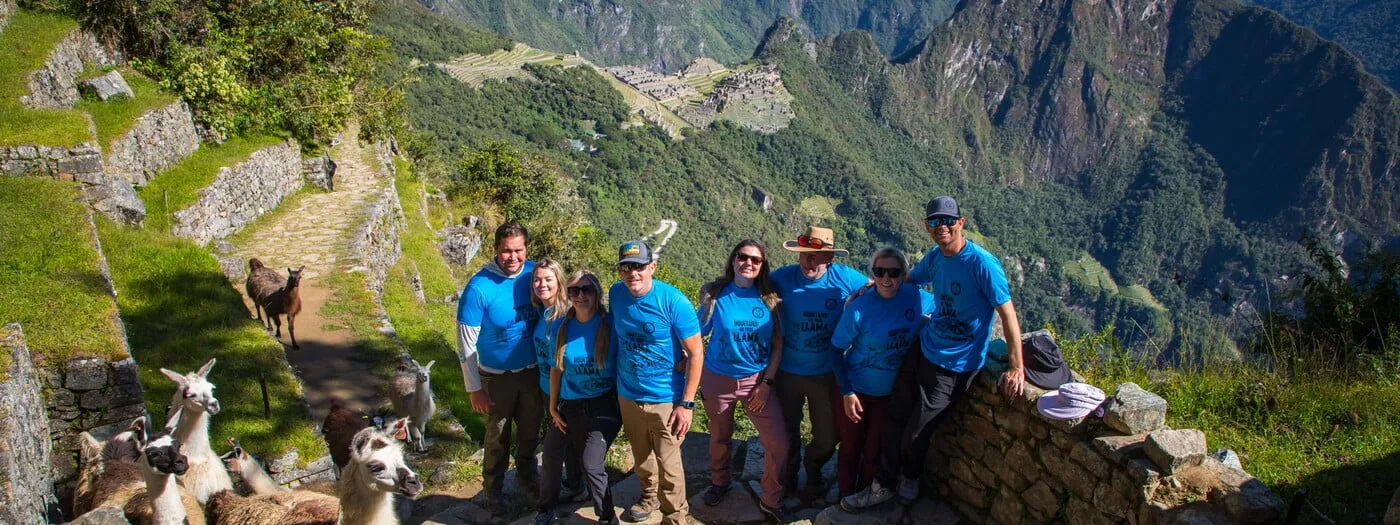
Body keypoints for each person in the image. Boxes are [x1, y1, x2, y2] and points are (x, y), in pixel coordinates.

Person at [841, 196, 1025, 511]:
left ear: (961, 223)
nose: (942, 227)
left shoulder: (981, 264)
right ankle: (882, 485)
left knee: (915, 433)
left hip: (956, 365)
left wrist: (1016, 367)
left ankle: (910, 477)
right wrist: (877, 283)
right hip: (924, 348)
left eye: (948, 220)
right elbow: (908, 279)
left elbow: (1007, 314)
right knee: (895, 419)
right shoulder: (937, 258)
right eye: (935, 222)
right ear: (928, 227)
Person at [609, 240, 704, 525]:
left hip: (666, 398)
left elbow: (697, 352)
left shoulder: (673, 301)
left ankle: (675, 518)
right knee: (641, 456)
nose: (633, 274)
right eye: (626, 267)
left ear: (652, 267)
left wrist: (686, 403)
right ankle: (648, 496)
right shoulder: (616, 294)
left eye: (639, 267)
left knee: (670, 465)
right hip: (628, 393)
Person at [770, 226, 870, 500]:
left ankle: (813, 467)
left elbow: (879, 287)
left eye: (816, 256)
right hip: (786, 372)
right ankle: (789, 478)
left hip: (826, 374)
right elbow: (747, 287)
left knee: (828, 435)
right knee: (787, 431)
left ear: (830, 259)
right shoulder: (782, 278)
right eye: (804, 255)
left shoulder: (845, 279)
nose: (808, 261)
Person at [829, 247, 933, 498]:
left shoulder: (915, 297)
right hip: (856, 390)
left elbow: (949, 307)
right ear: (872, 274)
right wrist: (847, 391)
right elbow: (834, 350)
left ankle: (865, 494)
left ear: (904, 274)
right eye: (880, 272)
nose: (886, 278)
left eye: (894, 272)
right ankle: (844, 495)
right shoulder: (859, 308)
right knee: (851, 447)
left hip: (890, 393)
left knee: (876, 448)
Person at [695, 241, 788, 522]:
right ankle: (720, 482)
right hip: (717, 378)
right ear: (733, 260)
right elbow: (696, 335)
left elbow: (778, 343)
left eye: (755, 260)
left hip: (756, 381)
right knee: (720, 436)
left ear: (762, 266)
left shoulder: (770, 299)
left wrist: (767, 383)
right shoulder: (716, 296)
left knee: (778, 443)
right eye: (743, 257)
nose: (748, 263)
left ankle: (771, 498)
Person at [457, 221, 544, 512]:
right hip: (496, 378)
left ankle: (527, 479)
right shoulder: (479, 288)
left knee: (531, 430)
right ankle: (493, 489)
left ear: (526, 249)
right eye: (506, 251)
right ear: (495, 249)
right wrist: (475, 389)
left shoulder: (534, 275)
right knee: (498, 435)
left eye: (519, 250)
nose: (513, 257)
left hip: (532, 372)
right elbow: (466, 344)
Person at [538, 271, 622, 525]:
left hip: (604, 404)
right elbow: (556, 368)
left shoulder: (611, 326)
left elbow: (629, 361)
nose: (581, 295)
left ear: (597, 293)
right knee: (551, 453)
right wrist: (553, 406)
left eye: (587, 289)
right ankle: (545, 510)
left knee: (591, 463)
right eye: (574, 291)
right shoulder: (562, 326)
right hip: (570, 404)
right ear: (568, 294)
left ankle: (607, 517)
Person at [530, 259, 586, 508]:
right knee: (568, 444)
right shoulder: (542, 312)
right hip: (545, 388)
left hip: (563, 393)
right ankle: (577, 486)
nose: (542, 284)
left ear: (559, 283)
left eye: (548, 279)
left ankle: (548, 505)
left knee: (553, 450)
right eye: (537, 279)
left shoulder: (565, 316)